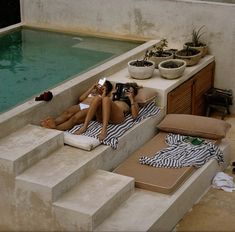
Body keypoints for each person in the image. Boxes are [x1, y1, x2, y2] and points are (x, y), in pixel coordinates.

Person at [76, 82, 140, 141]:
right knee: (98, 98)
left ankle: (104, 129)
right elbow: (104, 103)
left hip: (117, 117)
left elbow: (135, 116)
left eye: (130, 91)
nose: (127, 93)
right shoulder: (115, 97)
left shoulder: (134, 102)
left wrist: (131, 99)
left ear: (134, 94)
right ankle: (85, 126)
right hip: (103, 117)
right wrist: (113, 95)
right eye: (126, 90)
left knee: (106, 99)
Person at [41, 79, 113, 131]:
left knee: (74, 118)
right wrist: (91, 88)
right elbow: (81, 98)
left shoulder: (103, 97)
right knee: (67, 113)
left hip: (90, 109)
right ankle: (54, 123)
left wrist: (104, 92)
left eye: (103, 87)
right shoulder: (93, 93)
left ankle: (56, 129)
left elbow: (101, 103)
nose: (100, 87)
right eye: (100, 85)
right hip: (81, 105)